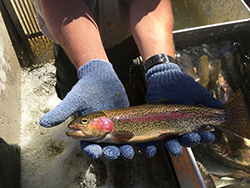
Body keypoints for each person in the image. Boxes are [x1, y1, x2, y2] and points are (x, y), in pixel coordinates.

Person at [32, 0, 223, 160]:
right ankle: (83, 113)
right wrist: (94, 68)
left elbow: (150, 5)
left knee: (124, 76)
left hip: (128, 33)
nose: (79, 125)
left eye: (84, 122)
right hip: (69, 38)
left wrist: (161, 67)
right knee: (73, 90)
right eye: (84, 122)